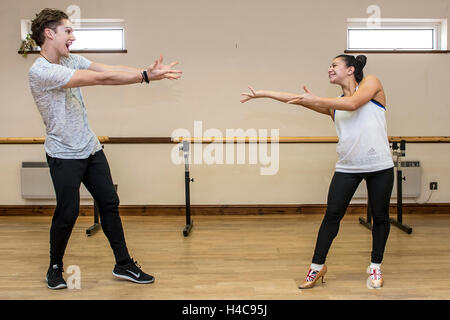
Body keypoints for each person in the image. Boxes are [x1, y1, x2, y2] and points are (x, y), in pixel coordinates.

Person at [28, 8, 182, 290]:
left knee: (109, 202)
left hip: (90, 148)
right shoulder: (42, 71)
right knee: (68, 211)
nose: (73, 36)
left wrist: (144, 72)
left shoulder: (69, 59)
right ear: (49, 33)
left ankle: (123, 263)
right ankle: (54, 267)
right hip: (63, 153)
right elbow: (100, 80)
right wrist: (145, 76)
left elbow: (105, 69)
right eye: (68, 31)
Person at [241, 54, 394, 289]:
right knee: (332, 216)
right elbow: (297, 99)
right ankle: (316, 267)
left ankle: (375, 266)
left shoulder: (371, 83)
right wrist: (264, 94)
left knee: (381, 217)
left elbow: (353, 103)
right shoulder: (333, 107)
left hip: (380, 167)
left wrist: (319, 100)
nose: (330, 69)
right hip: (348, 168)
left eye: (334, 65)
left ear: (351, 69)